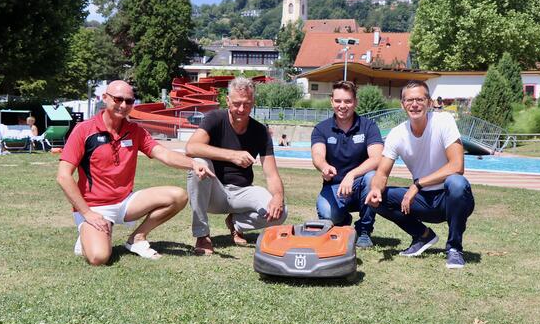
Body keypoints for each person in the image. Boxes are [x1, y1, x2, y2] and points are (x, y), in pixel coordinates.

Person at [57, 80, 214, 266]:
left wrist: (192, 163)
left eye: (129, 101)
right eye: (118, 99)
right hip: (94, 208)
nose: (123, 105)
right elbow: (63, 176)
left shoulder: (135, 131)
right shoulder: (84, 130)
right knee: (99, 258)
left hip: (125, 202)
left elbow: (163, 153)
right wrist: (87, 213)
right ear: (105, 98)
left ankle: (137, 238)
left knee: (178, 196)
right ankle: (87, 236)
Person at [365, 80, 475, 269]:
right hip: (423, 201)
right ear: (402, 105)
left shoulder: (444, 121)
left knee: (457, 183)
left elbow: (457, 166)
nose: (414, 104)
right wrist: (375, 189)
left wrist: (417, 184)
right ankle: (423, 236)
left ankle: (454, 249)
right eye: (409, 100)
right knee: (377, 197)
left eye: (419, 99)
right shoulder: (396, 134)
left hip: (450, 200)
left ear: (429, 102)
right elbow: (382, 172)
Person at [185, 77, 287, 255]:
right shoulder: (215, 118)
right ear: (227, 101)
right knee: (198, 164)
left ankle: (236, 223)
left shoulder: (260, 131)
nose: (241, 109)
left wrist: (278, 196)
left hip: (242, 192)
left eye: (246, 104)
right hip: (213, 191)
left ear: (253, 102)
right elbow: (191, 147)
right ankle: (202, 235)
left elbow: (271, 175)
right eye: (237, 103)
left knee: (281, 211)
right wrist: (232, 155)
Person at [311, 81, 383, 248]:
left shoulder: (369, 126)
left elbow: (377, 158)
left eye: (348, 101)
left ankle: (364, 231)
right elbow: (317, 155)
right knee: (327, 215)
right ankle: (343, 219)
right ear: (331, 101)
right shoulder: (321, 128)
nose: (342, 106)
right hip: (334, 188)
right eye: (338, 101)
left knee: (372, 177)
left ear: (355, 102)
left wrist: (351, 175)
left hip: (360, 186)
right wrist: (324, 167)